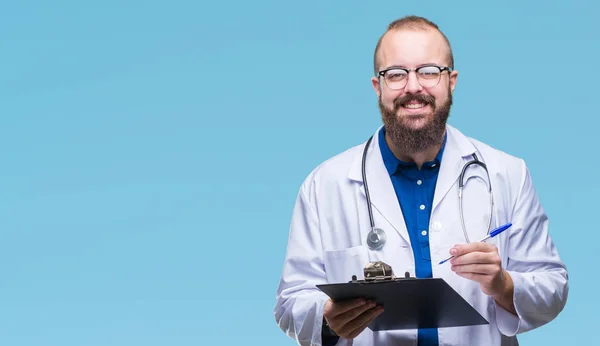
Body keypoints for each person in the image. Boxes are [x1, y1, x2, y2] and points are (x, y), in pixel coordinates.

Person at [273, 15, 569, 346]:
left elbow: (553, 287)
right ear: (378, 86)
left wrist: (503, 285)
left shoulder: (507, 174)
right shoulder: (324, 186)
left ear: (451, 81)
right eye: (396, 74)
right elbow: (290, 304)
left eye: (428, 71)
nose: (413, 87)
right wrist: (327, 318)